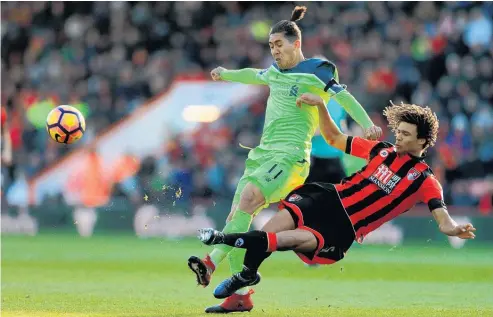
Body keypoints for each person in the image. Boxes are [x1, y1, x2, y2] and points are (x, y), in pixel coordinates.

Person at [187, 6, 382, 313]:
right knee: (237, 218)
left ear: (296, 44)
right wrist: (226, 74)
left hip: (291, 158)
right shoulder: (275, 72)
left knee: (249, 200)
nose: (275, 51)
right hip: (262, 156)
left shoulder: (318, 70)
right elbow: (256, 75)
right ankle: (241, 296)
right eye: (271, 46)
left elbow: (344, 96)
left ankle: (210, 262)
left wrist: (366, 123)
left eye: (279, 44)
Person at [196, 94, 477, 300]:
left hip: (343, 227)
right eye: (398, 132)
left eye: (405, 135)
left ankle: (220, 242)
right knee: (270, 230)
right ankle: (246, 273)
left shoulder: (425, 180)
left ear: (422, 142)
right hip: (327, 197)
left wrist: (454, 228)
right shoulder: (380, 150)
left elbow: (442, 219)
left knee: (282, 241)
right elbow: (334, 139)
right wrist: (320, 106)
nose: (398, 138)